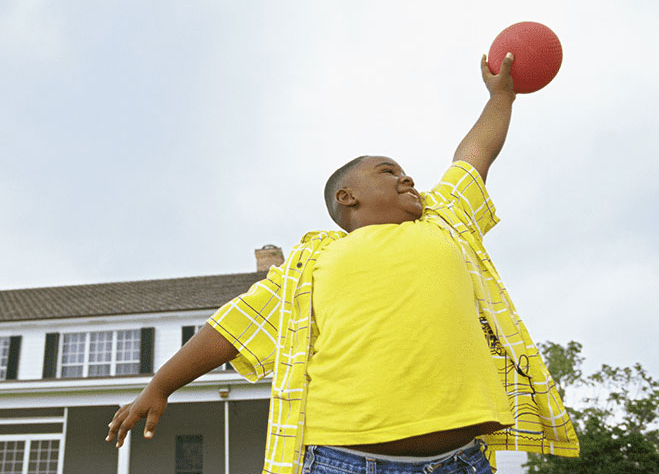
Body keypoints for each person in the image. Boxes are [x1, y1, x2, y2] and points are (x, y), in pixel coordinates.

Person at [106, 53, 580, 473]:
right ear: (347, 196)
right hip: (344, 461)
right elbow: (231, 329)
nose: (407, 176)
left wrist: (503, 97)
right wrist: (160, 387)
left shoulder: (443, 221)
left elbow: (474, 155)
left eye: (404, 170)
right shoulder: (311, 263)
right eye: (388, 171)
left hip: (462, 461)